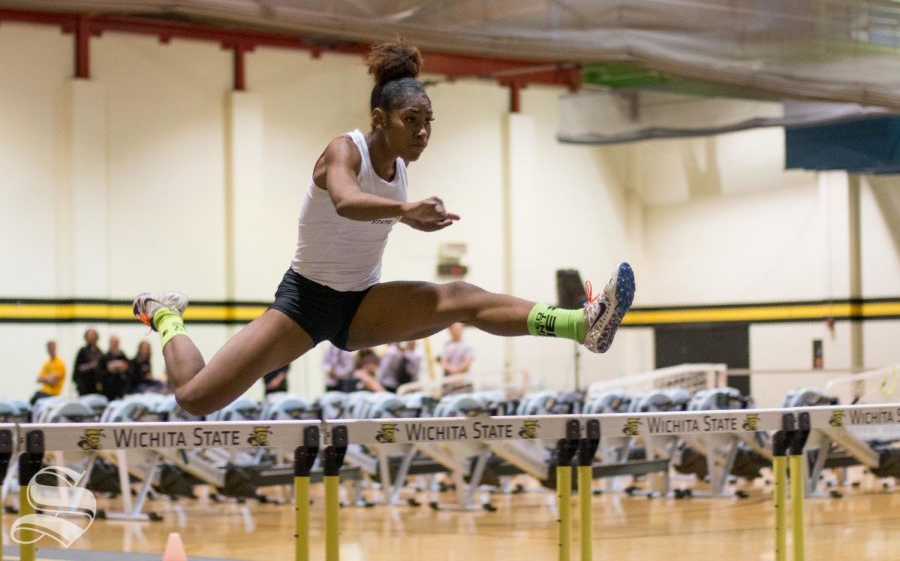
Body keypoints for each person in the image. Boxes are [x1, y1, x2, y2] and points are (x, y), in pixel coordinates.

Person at [131, 40, 635, 417]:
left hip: (362, 305)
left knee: (460, 295)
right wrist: (407, 211)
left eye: (429, 121)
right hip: (304, 303)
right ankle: (165, 315)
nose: (422, 132)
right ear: (380, 118)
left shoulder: (401, 169)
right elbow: (347, 202)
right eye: (411, 120)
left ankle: (582, 325)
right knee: (195, 399)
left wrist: (407, 210)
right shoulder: (343, 150)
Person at [32, 340, 66, 405]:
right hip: (43, 392)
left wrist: (45, 378)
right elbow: (39, 379)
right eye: (48, 347)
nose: (50, 349)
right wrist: (48, 378)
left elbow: (53, 381)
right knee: (34, 399)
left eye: (51, 347)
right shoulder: (47, 363)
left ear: (55, 348)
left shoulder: (59, 363)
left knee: (37, 399)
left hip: (53, 394)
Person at [73, 328, 103, 396]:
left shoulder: (100, 352)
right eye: (89, 336)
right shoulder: (82, 351)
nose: (91, 338)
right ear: (86, 338)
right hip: (84, 384)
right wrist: (91, 365)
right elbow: (77, 368)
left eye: (93, 336)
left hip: (96, 385)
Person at [100, 335, 130, 400]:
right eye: (113, 342)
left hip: (121, 388)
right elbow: (100, 373)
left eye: (116, 342)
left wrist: (123, 368)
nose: (114, 344)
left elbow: (128, 371)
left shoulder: (123, 356)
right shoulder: (104, 357)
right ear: (110, 343)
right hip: (108, 389)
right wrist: (109, 370)